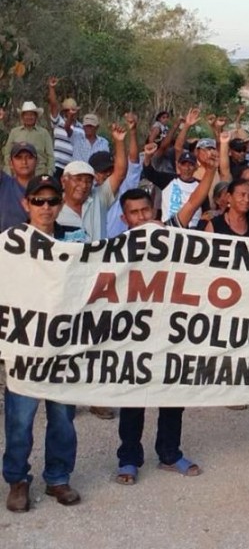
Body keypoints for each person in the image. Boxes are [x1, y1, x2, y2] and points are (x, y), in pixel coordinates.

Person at [114, 153, 219, 485]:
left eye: (146, 210)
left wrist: (213, 169)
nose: (142, 217)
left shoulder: (171, 231)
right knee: (133, 397)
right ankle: (129, 457)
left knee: (173, 395)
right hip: (134, 333)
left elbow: (197, 199)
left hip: (172, 329)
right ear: (125, 217)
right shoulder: (114, 248)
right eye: (135, 213)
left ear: (154, 211)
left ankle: (170, 453)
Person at [4, 175, 80, 512]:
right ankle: (17, 480)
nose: (45, 207)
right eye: (38, 201)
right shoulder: (8, 246)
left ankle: (58, 478)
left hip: (64, 350)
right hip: (25, 350)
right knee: (19, 421)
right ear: (26, 204)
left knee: (62, 418)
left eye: (52, 201)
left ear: (60, 204)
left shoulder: (76, 243)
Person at [56, 123, 129, 243]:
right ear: (64, 181)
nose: (84, 185)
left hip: (99, 261)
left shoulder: (99, 198)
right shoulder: (53, 208)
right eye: (78, 179)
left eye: (88, 181)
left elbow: (120, 173)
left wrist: (119, 142)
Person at [2, 101, 54, 176]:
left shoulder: (44, 133)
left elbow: (50, 156)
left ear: (36, 116)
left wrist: (49, 173)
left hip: (39, 172)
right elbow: (7, 153)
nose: (29, 117)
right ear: (22, 117)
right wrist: (11, 169)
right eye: (26, 115)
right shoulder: (14, 132)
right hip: (18, 172)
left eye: (32, 115)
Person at [46, 76, 81, 177]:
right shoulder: (58, 122)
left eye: (73, 110)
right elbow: (53, 104)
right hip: (57, 165)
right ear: (65, 111)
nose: (71, 113)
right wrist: (52, 88)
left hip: (72, 168)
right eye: (69, 110)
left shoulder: (82, 128)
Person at [0, 143, 39, 231]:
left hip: (37, 242)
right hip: (4, 242)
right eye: (19, 157)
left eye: (29, 157)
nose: (24, 162)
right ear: (11, 163)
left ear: (37, 161)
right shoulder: (3, 183)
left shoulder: (44, 187)